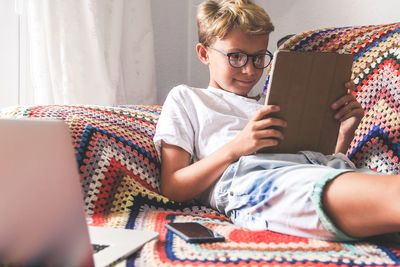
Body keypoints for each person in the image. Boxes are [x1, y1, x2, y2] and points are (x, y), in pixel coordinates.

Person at [154, 0, 400, 241]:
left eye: (259, 57)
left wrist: (345, 133)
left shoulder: (274, 101)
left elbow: (312, 165)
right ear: (204, 53)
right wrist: (236, 148)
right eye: (236, 57)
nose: (250, 70)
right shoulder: (188, 98)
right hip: (254, 183)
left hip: (318, 169)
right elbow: (174, 186)